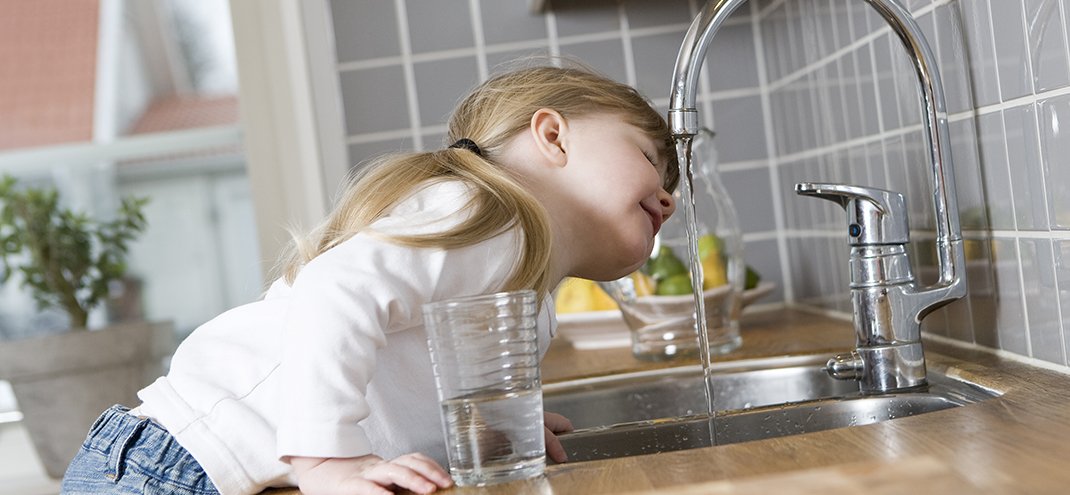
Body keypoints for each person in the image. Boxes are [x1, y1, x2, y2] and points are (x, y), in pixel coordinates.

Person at [60, 62, 679, 495]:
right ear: (552, 136)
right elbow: (336, 294)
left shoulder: (529, 288)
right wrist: (329, 460)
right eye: (652, 160)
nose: (670, 198)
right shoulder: (488, 215)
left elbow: (404, 368)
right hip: (168, 466)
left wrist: (488, 423)